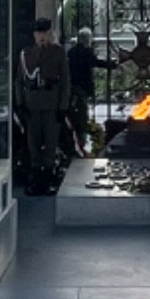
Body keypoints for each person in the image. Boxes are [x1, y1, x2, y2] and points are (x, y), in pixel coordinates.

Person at [17, 17, 70, 195]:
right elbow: (19, 81)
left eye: (45, 33)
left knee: (50, 143)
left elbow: (65, 81)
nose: (42, 36)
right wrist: (20, 103)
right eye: (39, 33)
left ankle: (47, 178)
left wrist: (63, 106)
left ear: (50, 34)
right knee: (33, 144)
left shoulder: (58, 52)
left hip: (51, 105)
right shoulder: (26, 54)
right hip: (31, 105)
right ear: (34, 35)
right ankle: (35, 179)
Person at [65, 27, 110, 156]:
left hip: (72, 88)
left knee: (74, 114)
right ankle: (81, 144)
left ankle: (76, 142)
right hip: (82, 88)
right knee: (82, 115)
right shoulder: (86, 52)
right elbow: (95, 62)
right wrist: (112, 65)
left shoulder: (71, 52)